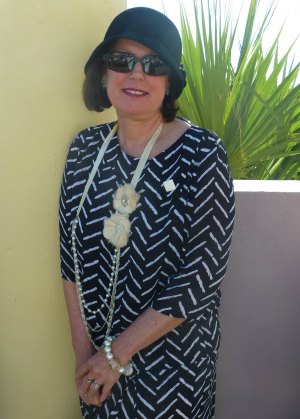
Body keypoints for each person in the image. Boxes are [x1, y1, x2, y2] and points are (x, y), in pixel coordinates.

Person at [59, 6, 235, 419]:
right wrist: (84, 355)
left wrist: (115, 356)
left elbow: (201, 275)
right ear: (104, 74)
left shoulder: (202, 154)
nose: (136, 74)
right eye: (122, 61)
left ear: (169, 81)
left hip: (172, 369)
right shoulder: (84, 148)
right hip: (97, 368)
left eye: (153, 64)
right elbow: (69, 261)